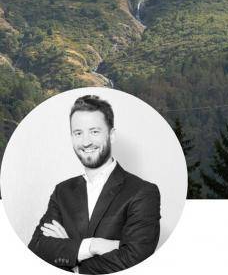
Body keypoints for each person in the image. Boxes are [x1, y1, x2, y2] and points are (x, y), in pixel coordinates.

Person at [28, 95, 161, 273]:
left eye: (94, 131)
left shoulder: (143, 192)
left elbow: (135, 259)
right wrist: (92, 246)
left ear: (111, 135)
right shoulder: (62, 191)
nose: (86, 141)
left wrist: (72, 258)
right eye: (78, 133)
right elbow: (36, 248)